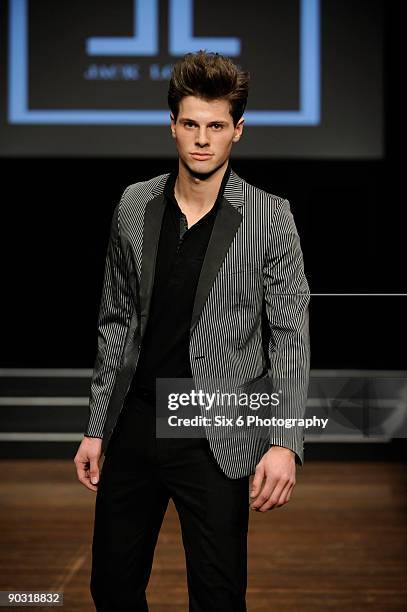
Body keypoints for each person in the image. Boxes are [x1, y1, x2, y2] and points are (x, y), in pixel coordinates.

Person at [74, 50, 310, 612]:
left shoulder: (271, 216)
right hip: (135, 421)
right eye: (191, 124)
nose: (202, 140)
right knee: (111, 587)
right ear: (172, 126)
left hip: (215, 431)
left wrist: (283, 441)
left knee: (218, 595)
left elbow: (290, 336)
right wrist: (95, 425)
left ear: (238, 131)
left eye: (216, 126)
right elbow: (115, 320)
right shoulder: (135, 204)